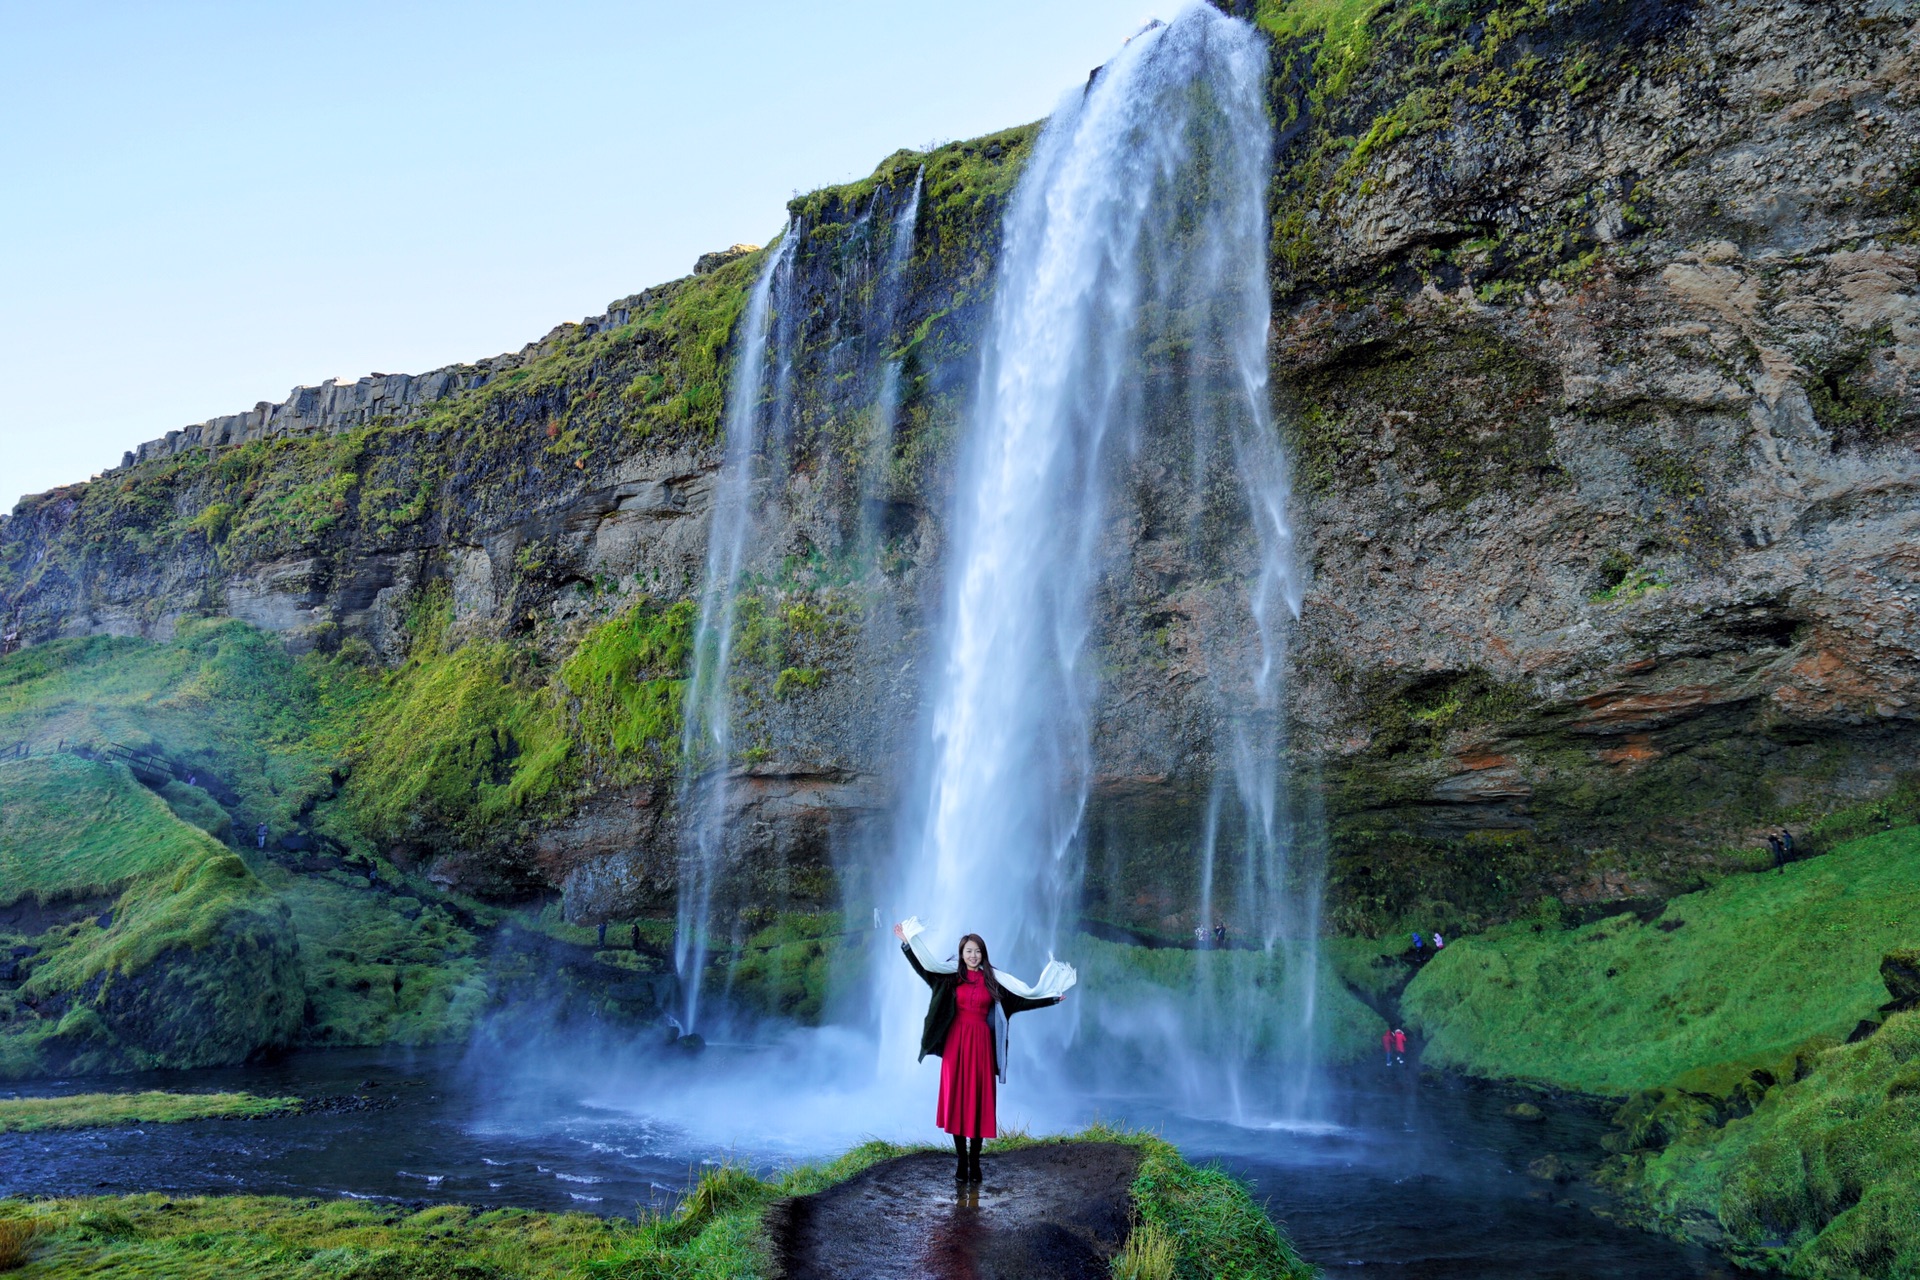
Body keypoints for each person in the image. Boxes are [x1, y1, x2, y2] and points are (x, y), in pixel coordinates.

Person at [895, 918, 1074, 1182]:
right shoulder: (948, 977)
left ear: (983, 954)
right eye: (968, 951)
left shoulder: (994, 980)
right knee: (957, 1101)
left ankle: (975, 1162)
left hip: (981, 1046)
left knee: (978, 1102)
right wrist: (908, 946)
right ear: (961, 954)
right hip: (955, 1045)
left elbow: (1021, 1000)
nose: (973, 955)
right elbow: (925, 969)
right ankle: (961, 1161)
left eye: (977, 951)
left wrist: (1051, 999)